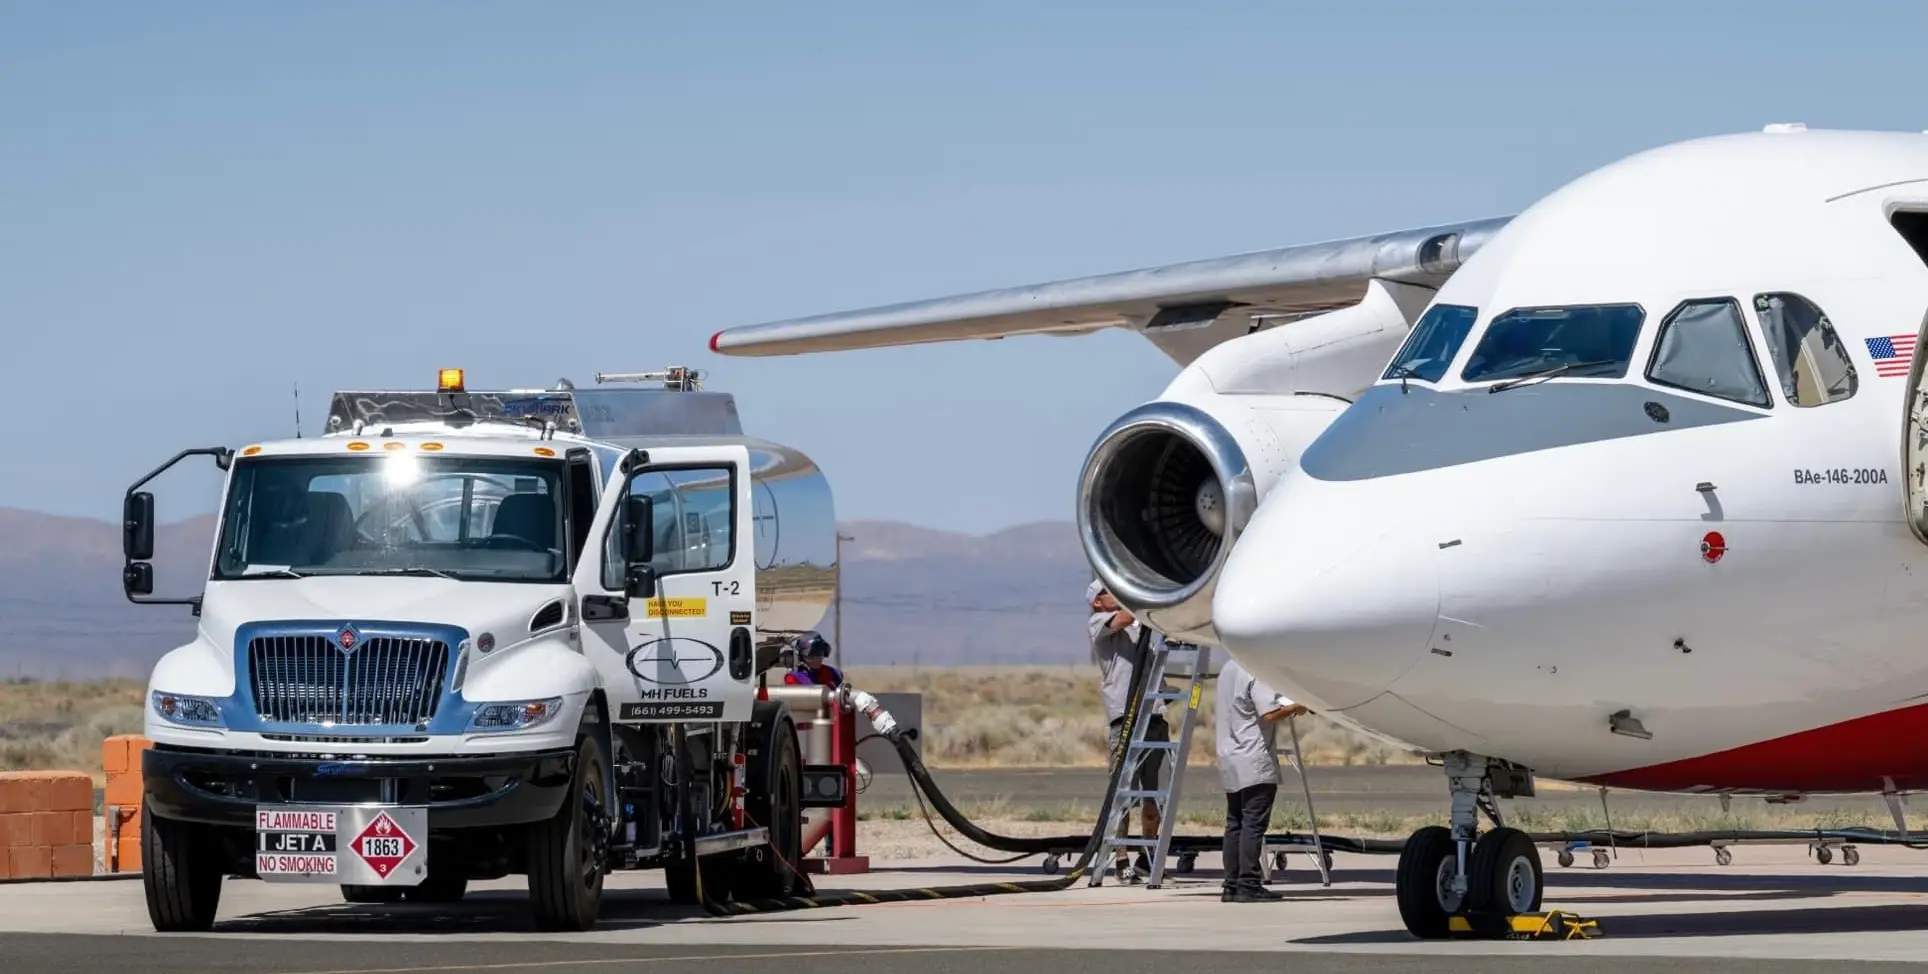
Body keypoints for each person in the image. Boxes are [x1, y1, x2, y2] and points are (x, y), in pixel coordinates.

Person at [1088, 579, 1173, 877]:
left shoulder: (1144, 627)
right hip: (1125, 716)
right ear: (1097, 602)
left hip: (1154, 715)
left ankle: (1148, 857)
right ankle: (1120, 858)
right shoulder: (1100, 623)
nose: (1116, 594)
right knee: (1123, 793)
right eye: (1108, 591)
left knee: (1157, 793)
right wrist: (1147, 598)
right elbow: (1125, 616)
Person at [1215, 654, 1309, 902]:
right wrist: (1297, 707)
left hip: (1230, 756)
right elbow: (1268, 714)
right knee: (1252, 824)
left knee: (1234, 823)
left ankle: (1231, 884)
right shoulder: (1255, 668)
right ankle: (1248, 882)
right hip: (1254, 757)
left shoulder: (1227, 668)